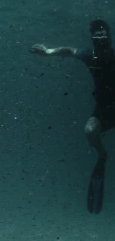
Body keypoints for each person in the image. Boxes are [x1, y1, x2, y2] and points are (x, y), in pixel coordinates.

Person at [32, 19, 115, 214]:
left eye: (104, 36)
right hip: (104, 109)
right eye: (97, 37)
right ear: (93, 40)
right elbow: (69, 50)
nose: (101, 40)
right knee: (89, 131)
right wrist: (48, 52)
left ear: (109, 38)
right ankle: (102, 155)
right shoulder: (90, 56)